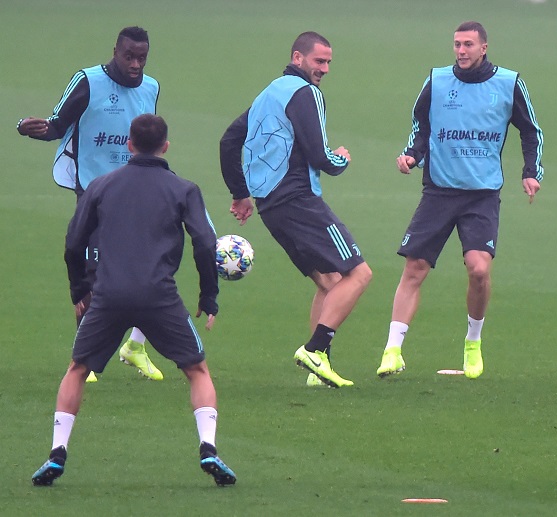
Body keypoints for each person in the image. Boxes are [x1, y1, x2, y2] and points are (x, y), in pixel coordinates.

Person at [31, 114, 236, 487]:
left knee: (77, 369)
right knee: (197, 370)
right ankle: (208, 448)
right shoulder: (184, 189)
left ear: (129, 145)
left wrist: (79, 290)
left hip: (108, 295)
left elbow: (74, 242)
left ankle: (57, 453)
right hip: (159, 297)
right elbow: (206, 242)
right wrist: (209, 295)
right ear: (166, 146)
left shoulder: (101, 185)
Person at [375, 21, 544, 380]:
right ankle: (392, 350)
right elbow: (421, 127)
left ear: (484, 47)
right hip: (439, 191)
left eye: (468, 44)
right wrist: (411, 156)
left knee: (479, 271)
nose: (461, 50)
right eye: (457, 44)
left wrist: (531, 171)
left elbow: (531, 131)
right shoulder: (436, 81)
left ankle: (473, 343)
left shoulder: (508, 83)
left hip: (482, 195)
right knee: (415, 268)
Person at [219, 31, 372, 388]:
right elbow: (320, 157)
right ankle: (315, 349)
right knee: (359, 274)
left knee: (329, 282)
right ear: (297, 57)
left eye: (329, 62)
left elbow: (229, 140)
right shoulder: (306, 93)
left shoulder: (269, 93)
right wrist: (342, 159)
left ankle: (318, 369)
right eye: (319, 61)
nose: (325, 69)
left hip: (271, 208)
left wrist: (240, 194)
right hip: (299, 200)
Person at [17, 26, 162, 382]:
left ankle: (135, 347)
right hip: (95, 195)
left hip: (137, 190)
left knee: (155, 268)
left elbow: (150, 141)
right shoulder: (88, 81)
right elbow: (56, 126)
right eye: (129, 56)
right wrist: (28, 127)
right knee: (94, 277)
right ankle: (84, 356)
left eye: (141, 58)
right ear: (115, 51)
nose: (135, 64)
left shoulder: (151, 87)